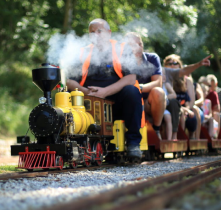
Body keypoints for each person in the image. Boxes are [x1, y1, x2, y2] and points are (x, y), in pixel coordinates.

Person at [66, 19, 144, 158]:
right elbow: (69, 81)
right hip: (87, 102)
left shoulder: (122, 48)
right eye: (92, 32)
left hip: (117, 101)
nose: (96, 35)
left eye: (99, 31)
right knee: (66, 95)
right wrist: (86, 92)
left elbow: (131, 78)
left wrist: (104, 92)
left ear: (109, 33)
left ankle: (133, 144)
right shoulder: (82, 52)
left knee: (132, 91)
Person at [122, 32, 166, 140]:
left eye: (140, 44)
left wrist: (139, 88)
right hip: (127, 102)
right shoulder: (119, 60)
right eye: (133, 44)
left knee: (158, 92)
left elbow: (158, 83)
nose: (138, 47)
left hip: (148, 102)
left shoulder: (152, 58)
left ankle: (156, 128)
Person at [163, 54, 211, 139]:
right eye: (169, 63)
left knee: (195, 112)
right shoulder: (164, 78)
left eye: (175, 63)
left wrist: (187, 109)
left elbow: (192, 100)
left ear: (179, 65)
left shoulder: (186, 80)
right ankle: (178, 138)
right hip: (172, 107)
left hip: (186, 108)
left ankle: (195, 139)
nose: (172, 65)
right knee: (178, 111)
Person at [162, 67, 176, 140]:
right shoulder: (154, 85)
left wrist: (165, 97)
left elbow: (174, 94)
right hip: (155, 109)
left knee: (168, 117)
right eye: (161, 74)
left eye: (164, 74)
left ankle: (169, 139)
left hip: (164, 108)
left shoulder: (166, 85)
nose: (163, 76)